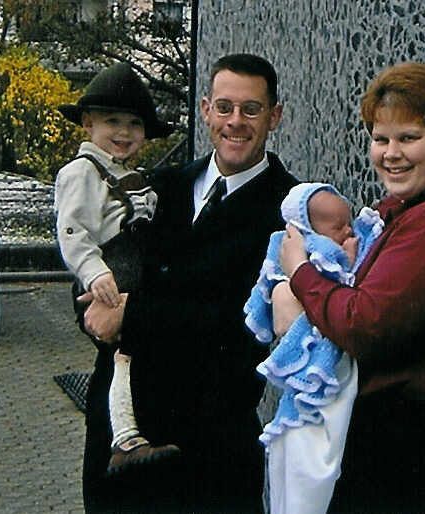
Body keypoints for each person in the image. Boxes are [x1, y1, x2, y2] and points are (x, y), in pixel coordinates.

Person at [79, 53, 298, 513]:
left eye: (251, 110)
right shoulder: (158, 186)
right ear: (205, 110)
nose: (235, 122)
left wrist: (131, 315)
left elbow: (242, 327)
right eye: (224, 107)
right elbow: (92, 263)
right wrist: (90, 308)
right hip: (117, 450)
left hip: (208, 460)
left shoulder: (291, 211)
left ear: (274, 116)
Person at [272, 62, 425, 512]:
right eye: (381, 139)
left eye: (408, 138)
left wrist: (299, 272)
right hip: (384, 443)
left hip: (407, 452)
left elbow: (365, 324)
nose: (392, 154)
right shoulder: (400, 211)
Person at [54, 62, 180, 477]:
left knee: (133, 356)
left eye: (134, 124)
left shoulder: (132, 176)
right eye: (112, 121)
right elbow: (72, 231)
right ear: (88, 123)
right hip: (111, 273)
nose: (124, 132)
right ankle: (125, 439)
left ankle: (135, 434)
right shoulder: (81, 173)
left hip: (136, 271)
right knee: (123, 355)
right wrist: (94, 273)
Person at [245, 182, 384, 514]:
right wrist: (348, 259)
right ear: (309, 230)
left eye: (349, 222)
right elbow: (335, 281)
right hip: (320, 357)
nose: (348, 231)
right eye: (338, 227)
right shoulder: (314, 250)